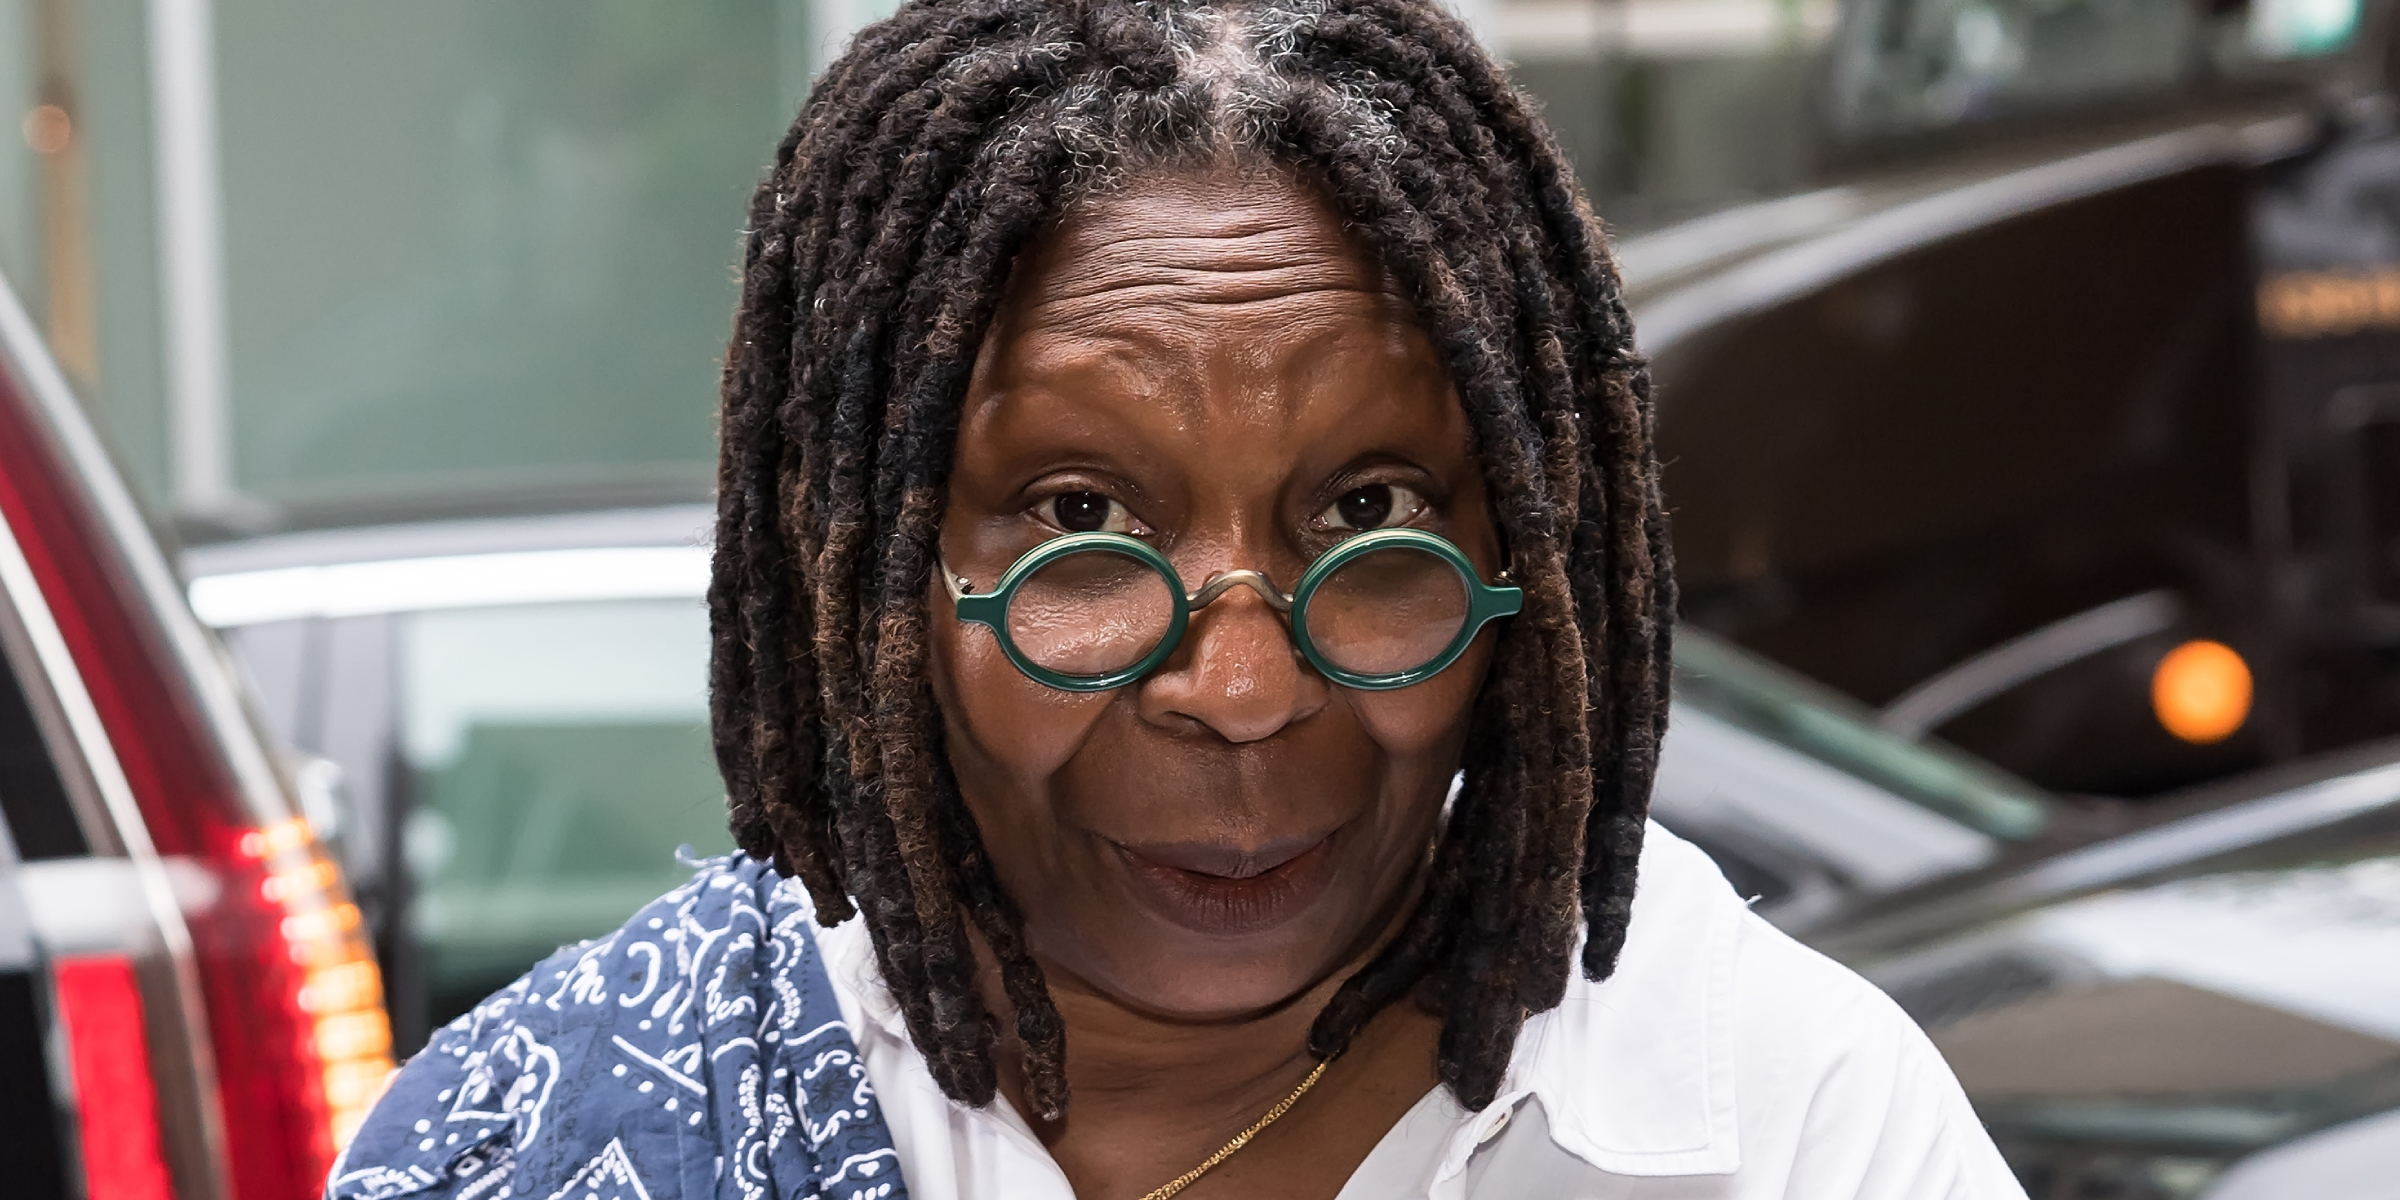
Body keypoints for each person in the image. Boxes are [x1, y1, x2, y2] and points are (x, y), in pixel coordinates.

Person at [329, 0, 2027, 1196]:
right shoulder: (545, 1146)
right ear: (872, 586)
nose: (1237, 687)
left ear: (1538, 565)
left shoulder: (1788, 1126)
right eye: (1079, 514)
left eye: (1371, 510)